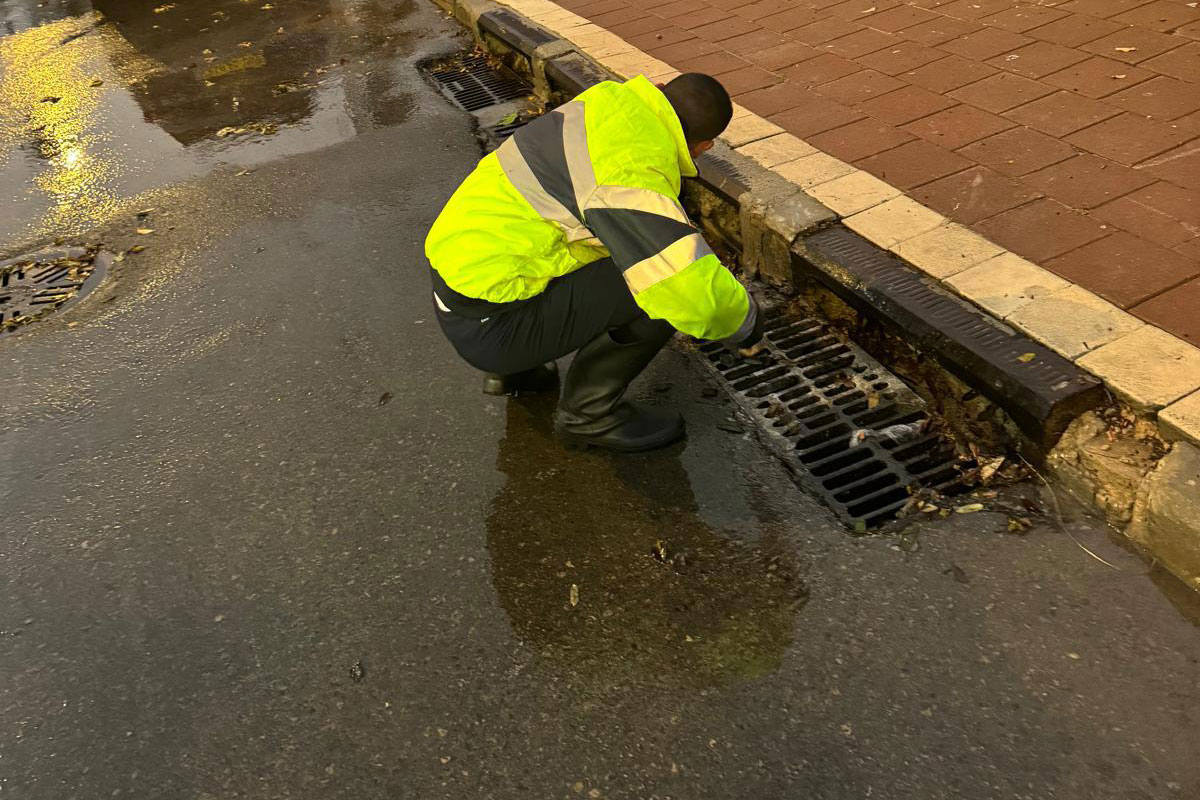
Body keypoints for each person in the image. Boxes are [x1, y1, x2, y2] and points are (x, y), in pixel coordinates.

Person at [425, 72, 762, 453]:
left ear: (662, 87)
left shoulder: (605, 104)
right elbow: (690, 290)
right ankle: (588, 416)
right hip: (490, 329)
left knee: (568, 240)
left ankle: (515, 373)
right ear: (704, 147)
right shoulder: (631, 173)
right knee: (654, 283)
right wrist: (746, 323)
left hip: (454, 281)